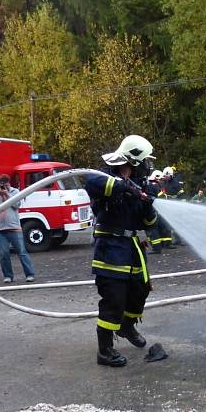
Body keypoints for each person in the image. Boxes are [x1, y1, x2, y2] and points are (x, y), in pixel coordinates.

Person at [86, 134, 158, 367]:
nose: (147, 167)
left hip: (132, 250)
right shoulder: (104, 176)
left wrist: (147, 206)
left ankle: (127, 326)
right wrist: (127, 188)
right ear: (132, 161)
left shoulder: (141, 186)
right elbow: (92, 183)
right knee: (114, 300)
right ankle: (105, 350)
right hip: (110, 251)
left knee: (140, 292)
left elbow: (149, 224)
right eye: (144, 161)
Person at [0, 174, 35, 283]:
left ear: (9, 183)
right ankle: (8, 276)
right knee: (3, 254)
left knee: (22, 252)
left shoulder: (15, 192)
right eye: (2, 184)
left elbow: (17, 204)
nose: (4, 186)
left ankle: (30, 274)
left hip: (14, 227)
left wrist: (7, 193)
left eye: (6, 184)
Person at [144, 170, 169, 254]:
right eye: (161, 179)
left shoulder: (152, 185)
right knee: (157, 228)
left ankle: (156, 248)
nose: (162, 181)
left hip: (151, 211)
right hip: (156, 211)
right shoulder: (156, 185)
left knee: (151, 230)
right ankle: (160, 246)